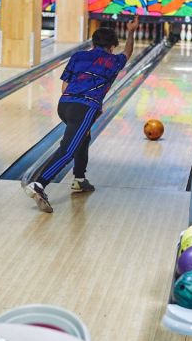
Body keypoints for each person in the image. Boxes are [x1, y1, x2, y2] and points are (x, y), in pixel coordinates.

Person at [24, 16, 140, 213]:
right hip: (85, 108)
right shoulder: (113, 61)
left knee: (83, 138)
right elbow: (127, 53)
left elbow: (64, 86)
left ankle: (79, 179)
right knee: (68, 150)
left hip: (65, 105)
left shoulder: (78, 56)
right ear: (112, 47)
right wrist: (130, 31)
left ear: (93, 43)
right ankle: (39, 184)